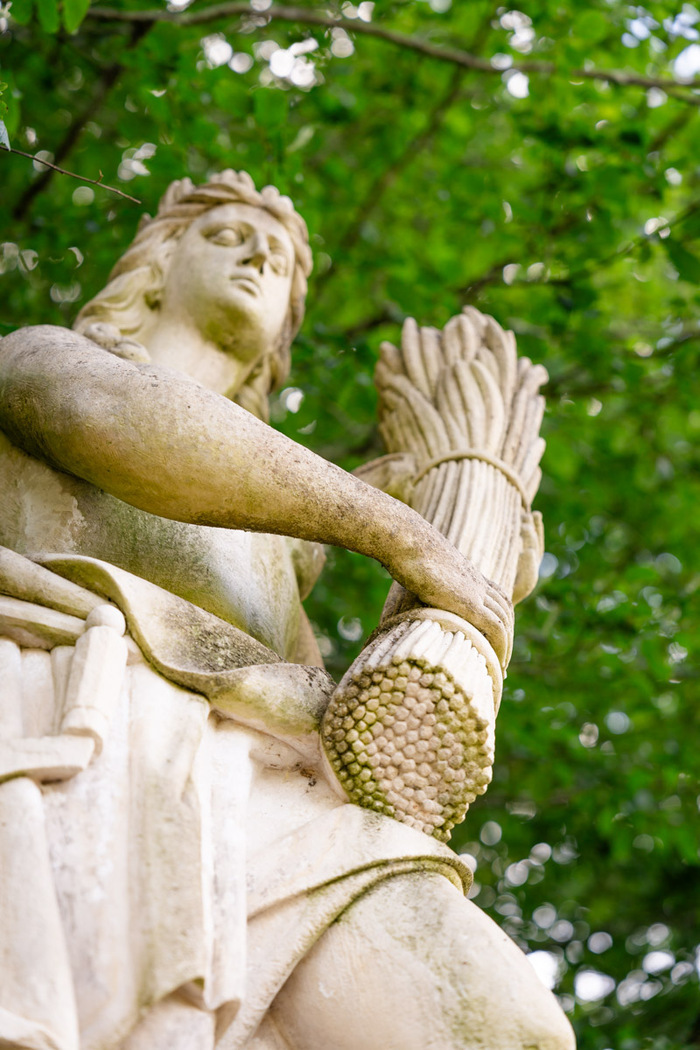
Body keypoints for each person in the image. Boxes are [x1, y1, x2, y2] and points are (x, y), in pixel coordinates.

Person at [0, 171, 574, 1049]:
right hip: (79, 716)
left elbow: (343, 718)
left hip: (270, 786)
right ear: (153, 268)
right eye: (230, 236)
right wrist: (405, 535)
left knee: (511, 1028)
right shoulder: (45, 357)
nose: (263, 253)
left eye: (283, 262)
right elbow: (114, 419)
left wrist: (463, 591)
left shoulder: (279, 549)